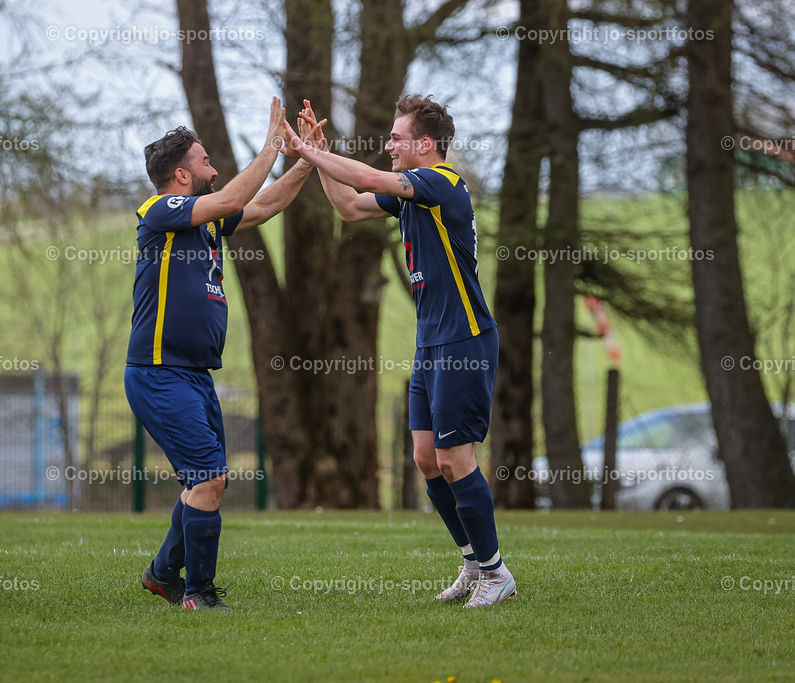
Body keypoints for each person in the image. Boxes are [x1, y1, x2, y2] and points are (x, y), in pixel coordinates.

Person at [287, 95, 516, 607]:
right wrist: (318, 154)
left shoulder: (441, 182)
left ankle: (497, 573)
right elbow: (348, 206)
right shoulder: (412, 196)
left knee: (456, 459)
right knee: (426, 458)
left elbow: (367, 179)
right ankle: (474, 563)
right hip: (430, 341)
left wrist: (307, 149)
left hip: (464, 340)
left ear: (425, 145)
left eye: (396, 137)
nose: (388, 144)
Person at [129, 97, 317, 610]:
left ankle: (164, 573)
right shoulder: (161, 210)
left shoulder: (208, 220)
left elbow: (265, 204)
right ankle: (198, 595)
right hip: (158, 372)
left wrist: (304, 161)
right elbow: (236, 195)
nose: (214, 167)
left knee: (205, 480)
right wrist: (271, 145)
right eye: (206, 160)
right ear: (182, 177)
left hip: (193, 374)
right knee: (209, 479)